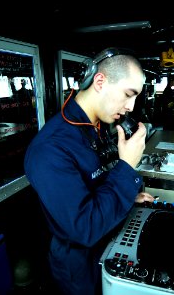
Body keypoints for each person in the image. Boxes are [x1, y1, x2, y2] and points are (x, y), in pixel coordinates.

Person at [24, 48, 155, 295]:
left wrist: (127, 196)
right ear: (100, 81)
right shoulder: (50, 149)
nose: (130, 106)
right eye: (128, 94)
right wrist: (126, 168)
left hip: (108, 243)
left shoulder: (97, 126)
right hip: (80, 265)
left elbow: (95, 182)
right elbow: (84, 228)